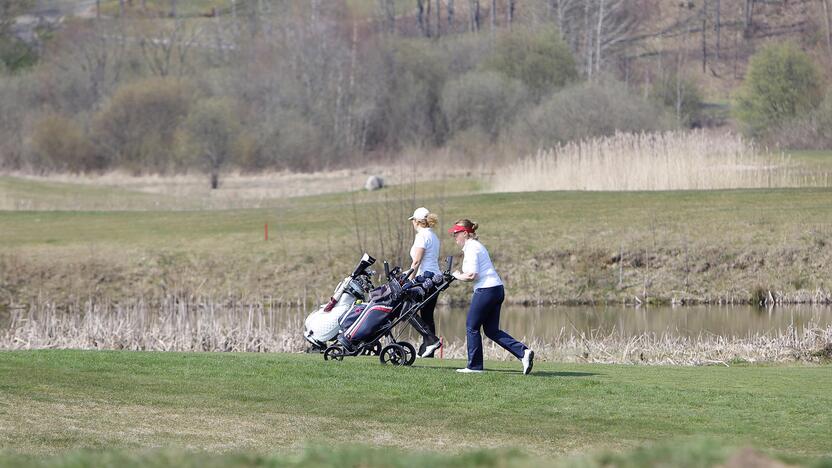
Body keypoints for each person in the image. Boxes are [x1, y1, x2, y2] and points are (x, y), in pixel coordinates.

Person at [449, 219, 534, 374]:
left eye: (457, 233)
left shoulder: (472, 248)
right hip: (496, 289)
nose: (454, 236)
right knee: (491, 330)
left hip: (486, 290)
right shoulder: (475, 246)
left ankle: (474, 366)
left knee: (471, 326)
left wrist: (456, 276)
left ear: (466, 233)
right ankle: (523, 353)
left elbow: (472, 275)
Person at [408, 207, 443, 358]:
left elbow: (416, 261)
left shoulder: (422, 236)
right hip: (436, 279)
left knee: (406, 310)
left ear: (417, 222)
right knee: (427, 315)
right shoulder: (433, 236)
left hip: (426, 279)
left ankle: (431, 340)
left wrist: (408, 280)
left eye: (413, 221)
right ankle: (429, 352)